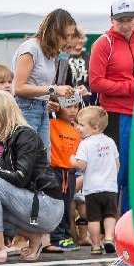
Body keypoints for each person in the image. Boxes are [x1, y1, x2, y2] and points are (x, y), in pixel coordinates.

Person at [89, 0, 134, 214]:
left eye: (130, 20)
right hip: (116, 114)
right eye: (120, 20)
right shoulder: (103, 43)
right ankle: (112, 226)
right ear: (111, 20)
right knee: (119, 172)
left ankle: (133, 223)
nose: (126, 25)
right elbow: (95, 83)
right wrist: (131, 86)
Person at [0, 91, 66, 262]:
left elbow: (21, 177)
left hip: (47, 205)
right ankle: (34, 237)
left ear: (0, 114)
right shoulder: (8, 138)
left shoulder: (25, 134)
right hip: (33, 205)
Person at [13, 9, 81, 149]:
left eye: (70, 35)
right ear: (54, 31)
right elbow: (19, 88)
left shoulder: (50, 52)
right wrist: (53, 89)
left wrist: (55, 96)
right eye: (65, 36)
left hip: (42, 108)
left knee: (43, 160)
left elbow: (39, 86)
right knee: (28, 159)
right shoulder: (31, 48)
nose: (68, 40)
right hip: (26, 109)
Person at [70, 106, 121, 255]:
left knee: (93, 219)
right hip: (110, 188)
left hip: (92, 189)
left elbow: (82, 164)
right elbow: (117, 164)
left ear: (94, 127)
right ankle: (109, 238)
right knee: (110, 215)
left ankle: (96, 245)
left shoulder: (85, 144)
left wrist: (73, 161)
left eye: (81, 125)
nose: (78, 127)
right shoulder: (110, 142)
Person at [46, 95, 82, 251]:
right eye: (69, 106)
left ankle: (65, 235)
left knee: (68, 205)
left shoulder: (78, 129)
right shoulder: (51, 124)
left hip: (70, 173)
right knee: (57, 204)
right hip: (55, 171)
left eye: (76, 106)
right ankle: (56, 237)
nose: (73, 110)